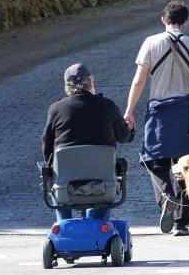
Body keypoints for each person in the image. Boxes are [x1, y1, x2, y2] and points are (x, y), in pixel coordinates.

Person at [124, 0, 189, 236]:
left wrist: (129, 110)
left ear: (163, 20)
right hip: (187, 112)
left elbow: (139, 80)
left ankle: (167, 197)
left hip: (159, 111)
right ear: (186, 22)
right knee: (187, 166)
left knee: (154, 160)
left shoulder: (151, 43)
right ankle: (181, 223)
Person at [42, 63, 133, 222]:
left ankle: (64, 224)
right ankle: (96, 225)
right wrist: (129, 129)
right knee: (106, 188)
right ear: (90, 81)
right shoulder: (107, 106)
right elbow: (124, 136)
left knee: (54, 180)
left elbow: (47, 145)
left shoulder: (56, 109)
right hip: (102, 185)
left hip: (66, 185)